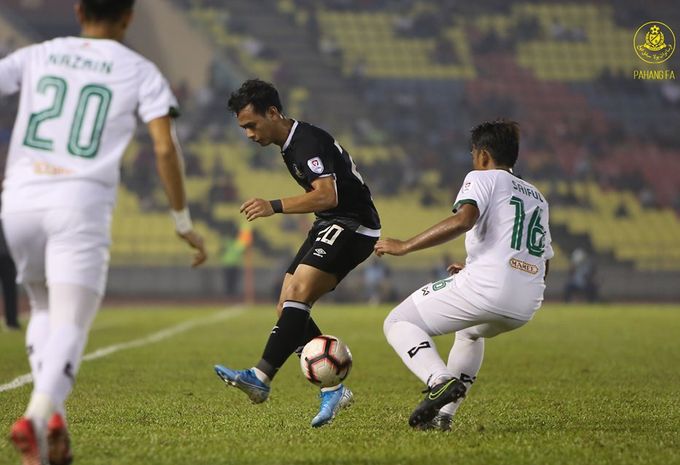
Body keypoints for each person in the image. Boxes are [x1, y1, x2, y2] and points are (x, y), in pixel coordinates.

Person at [0, 1, 208, 463]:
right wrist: (182, 222)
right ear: (129, 16)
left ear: (78, 11)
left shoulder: (39, 53)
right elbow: (163, 146)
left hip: (19, 198)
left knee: (42, 306)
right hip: (79, 204)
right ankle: (34, 419)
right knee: (72, 321)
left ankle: (55, 423)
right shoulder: (140, 69)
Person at [214, 79, 381, 427]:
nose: (248, 134)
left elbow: (327, 195)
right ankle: (332, 389)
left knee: (299, 294)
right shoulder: (291, 144)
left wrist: (272, 206)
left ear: (273, 113)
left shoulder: (305, 142)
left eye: (251, 125)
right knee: (287, 304)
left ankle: (260, 377)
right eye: (243, 127)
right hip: (331, 222)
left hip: (353, 224)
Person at [375, 120, 553, 431]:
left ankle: (439, 380)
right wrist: (481, 270)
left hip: (488, 289)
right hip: (526, 303)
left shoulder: (482, 177)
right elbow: (543, 259)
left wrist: (404, 245)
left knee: (397, 322)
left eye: (473, 154)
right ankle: (444, 417)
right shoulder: (537, 197)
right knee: (470, 332)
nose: (473, 161)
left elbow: (463, 220)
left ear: (483, 155)